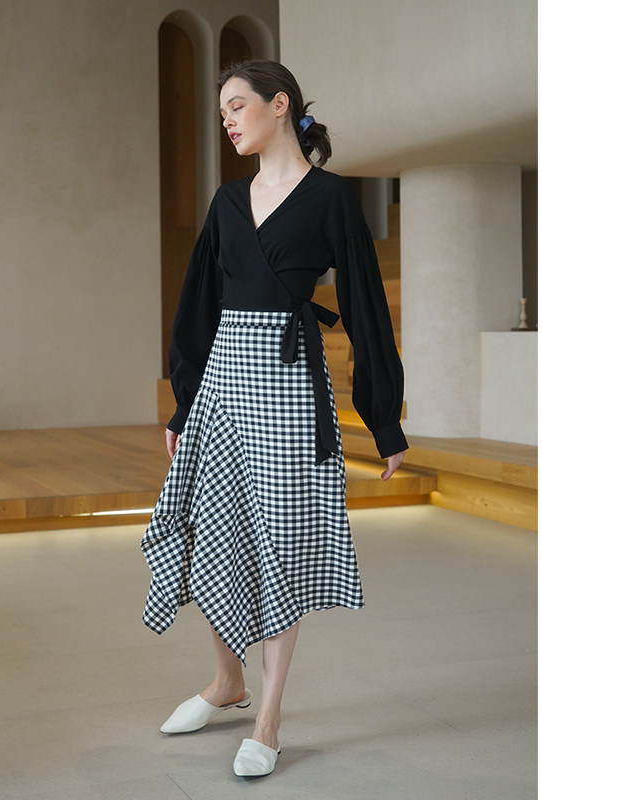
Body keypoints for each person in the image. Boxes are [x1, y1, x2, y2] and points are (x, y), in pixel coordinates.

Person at [140, 59, 408, 778]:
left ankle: (268, 716)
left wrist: (383, 419)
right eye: (222, 110)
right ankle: (226, 682)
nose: (227, 120)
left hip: (288, 385)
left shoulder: (331, 198)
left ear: (279, 103)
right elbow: (198, 303)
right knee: (211, 528)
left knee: (279, 543)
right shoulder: (229, 200)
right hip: (223, 383)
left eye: (237, 105)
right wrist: (185, 401)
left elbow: (365, 306)